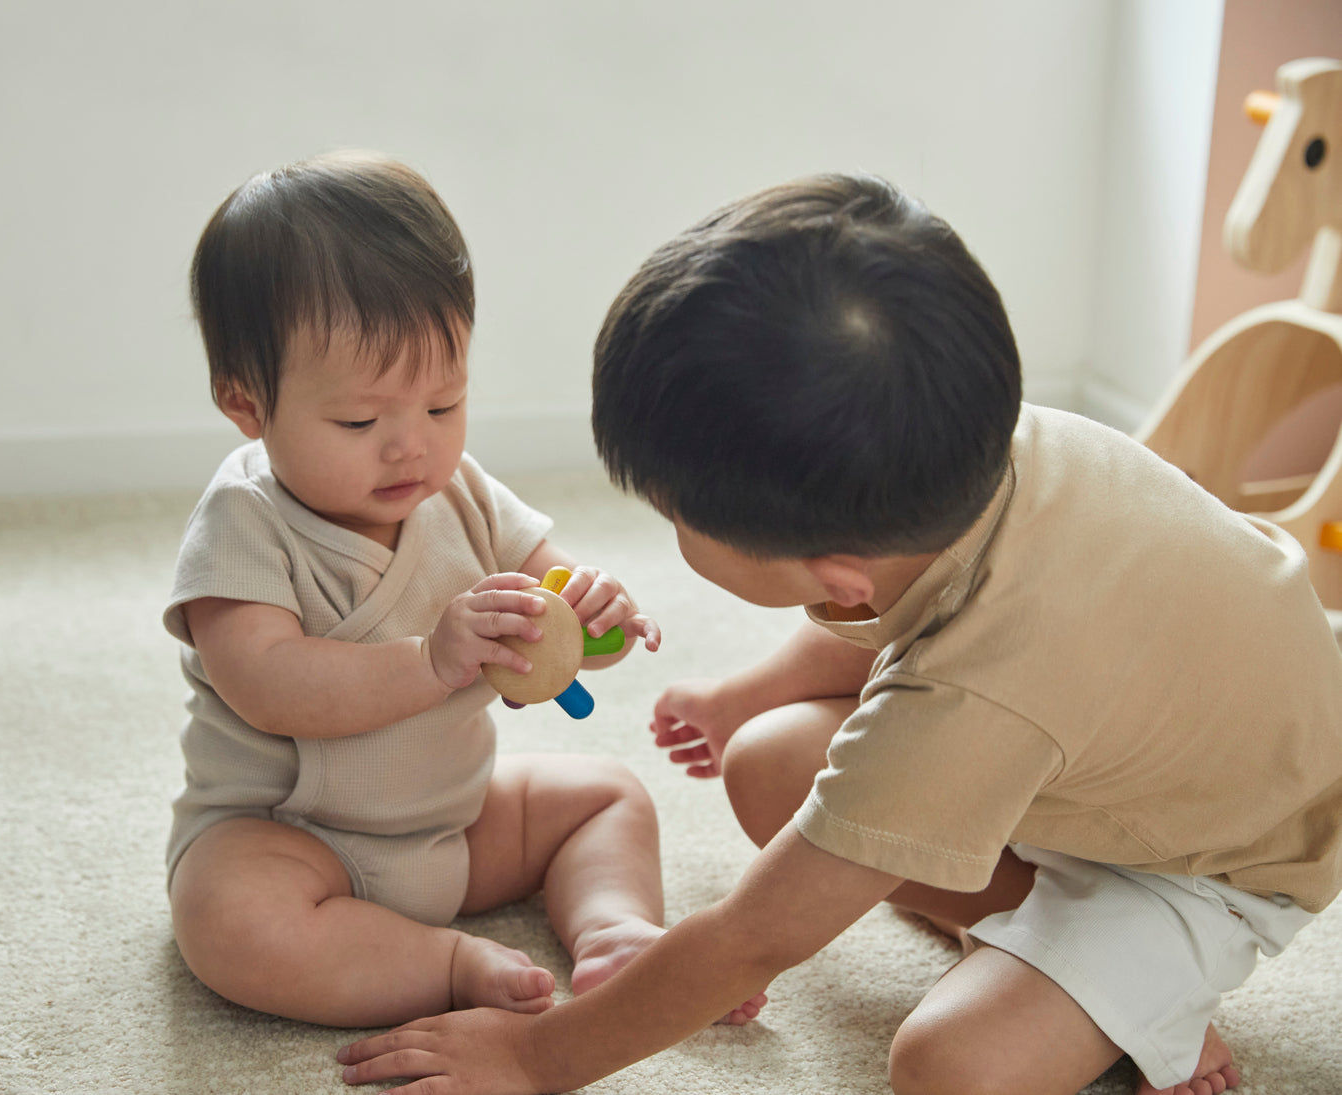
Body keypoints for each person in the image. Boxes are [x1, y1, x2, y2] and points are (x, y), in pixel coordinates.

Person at [335, 173, 1342, 1095]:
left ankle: (1141, 995)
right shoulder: (970, 455)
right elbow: (893, 616)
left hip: (1208, 861)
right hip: (1109, 756)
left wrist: (537, 1055)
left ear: (834, 571)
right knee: (766, 759)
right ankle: (1072, 970)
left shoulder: (975, 692)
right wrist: (742, 696)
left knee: (950, 1067)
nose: (669, 529)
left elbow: (752, 935)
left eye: (677, 516)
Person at [163, 151, 766, 1031]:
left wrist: (590, 608)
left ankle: (613, 929)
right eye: (360, 419)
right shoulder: (243, 519)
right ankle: (442, 963)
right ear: (245, 403)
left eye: (442, 404)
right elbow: (267, 683)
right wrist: (431, 661)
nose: (410, 445)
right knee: (230, 921)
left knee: (606, 794)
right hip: (293, 836)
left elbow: (548, 595)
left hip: (453, 821)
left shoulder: (461, 492)